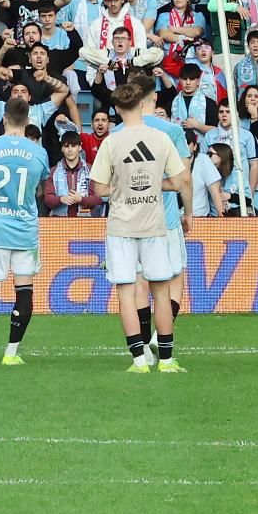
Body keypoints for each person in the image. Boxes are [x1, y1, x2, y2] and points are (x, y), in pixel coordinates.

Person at [90, 75, 189, 373]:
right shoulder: (161, 138)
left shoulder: (112, 141)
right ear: (142, 103)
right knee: (161, 291)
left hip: (121, 226)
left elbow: (98, 189)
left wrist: (123, 188)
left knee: (126, 292)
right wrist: (153, 186)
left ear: (119, 109)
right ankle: (168, 361)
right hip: (154, 224)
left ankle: (139, 359)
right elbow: (179, 180)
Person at [0, 97, 50, 365]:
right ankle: (11, 354)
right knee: (24, 289)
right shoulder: (39, 152)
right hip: (24, 229)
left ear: (3, 119)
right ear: (28, 121)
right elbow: (40, 186)